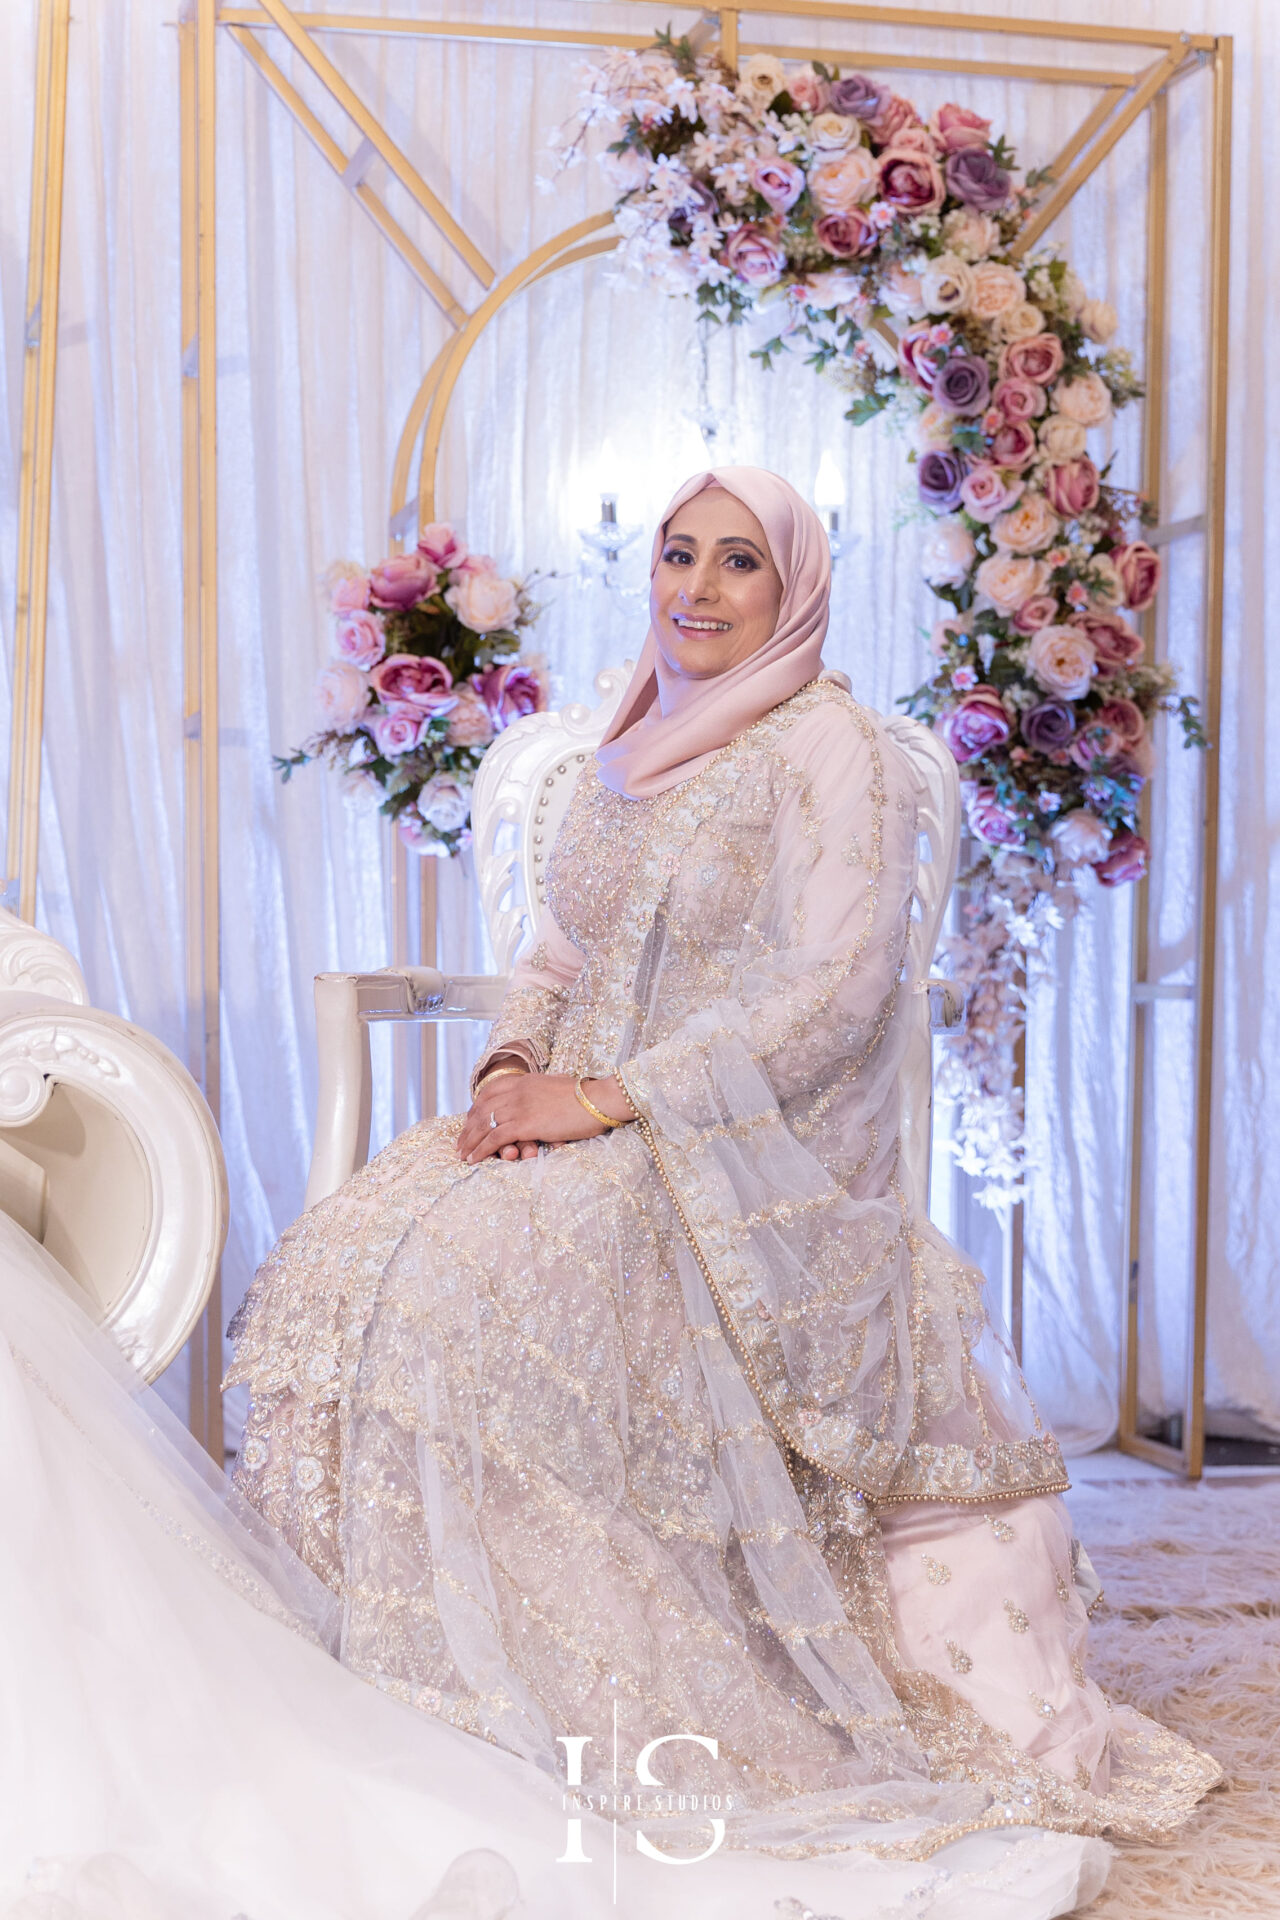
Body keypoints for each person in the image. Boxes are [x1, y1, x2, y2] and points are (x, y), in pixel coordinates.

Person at [225, 466, 1219, 1880]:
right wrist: (515, 1063)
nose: (695, 588)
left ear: (795, 587)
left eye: (737, 562)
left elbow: (840, 991)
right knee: (355, 1268)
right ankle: (399, 1692)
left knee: (467, 1287)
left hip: (739, 1154)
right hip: (582, 1123)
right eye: (678, 556)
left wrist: (611, 1096)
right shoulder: (634, 745)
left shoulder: (835, 748)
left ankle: (570, 1709)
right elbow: (561, 950)